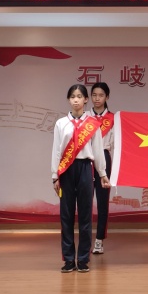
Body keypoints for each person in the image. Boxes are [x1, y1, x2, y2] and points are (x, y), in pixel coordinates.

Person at [51, 84, 110, 273]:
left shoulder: (93, 124)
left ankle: (83, 258)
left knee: (85, 215)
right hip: (66, 170)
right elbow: (57, 150)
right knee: (66, 215)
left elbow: (98, 150)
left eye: (79, 96)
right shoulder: (61, 123)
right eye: (72, 97)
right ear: (69, 100)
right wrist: (55, 176)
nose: (75, 100)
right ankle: (69, 259)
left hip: (85, 169)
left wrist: (102, 174)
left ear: (86, 100)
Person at [90, 82, 114, 256]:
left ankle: (99, 240)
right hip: (86, 159)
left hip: (104, 157)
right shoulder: (84, 117)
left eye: (101, 95)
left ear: (107, 97)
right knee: (84, 200)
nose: (97, 98)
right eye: (94, 95)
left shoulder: (113, 119)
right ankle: (85, 238)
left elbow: (116, 144)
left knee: (102, 200)